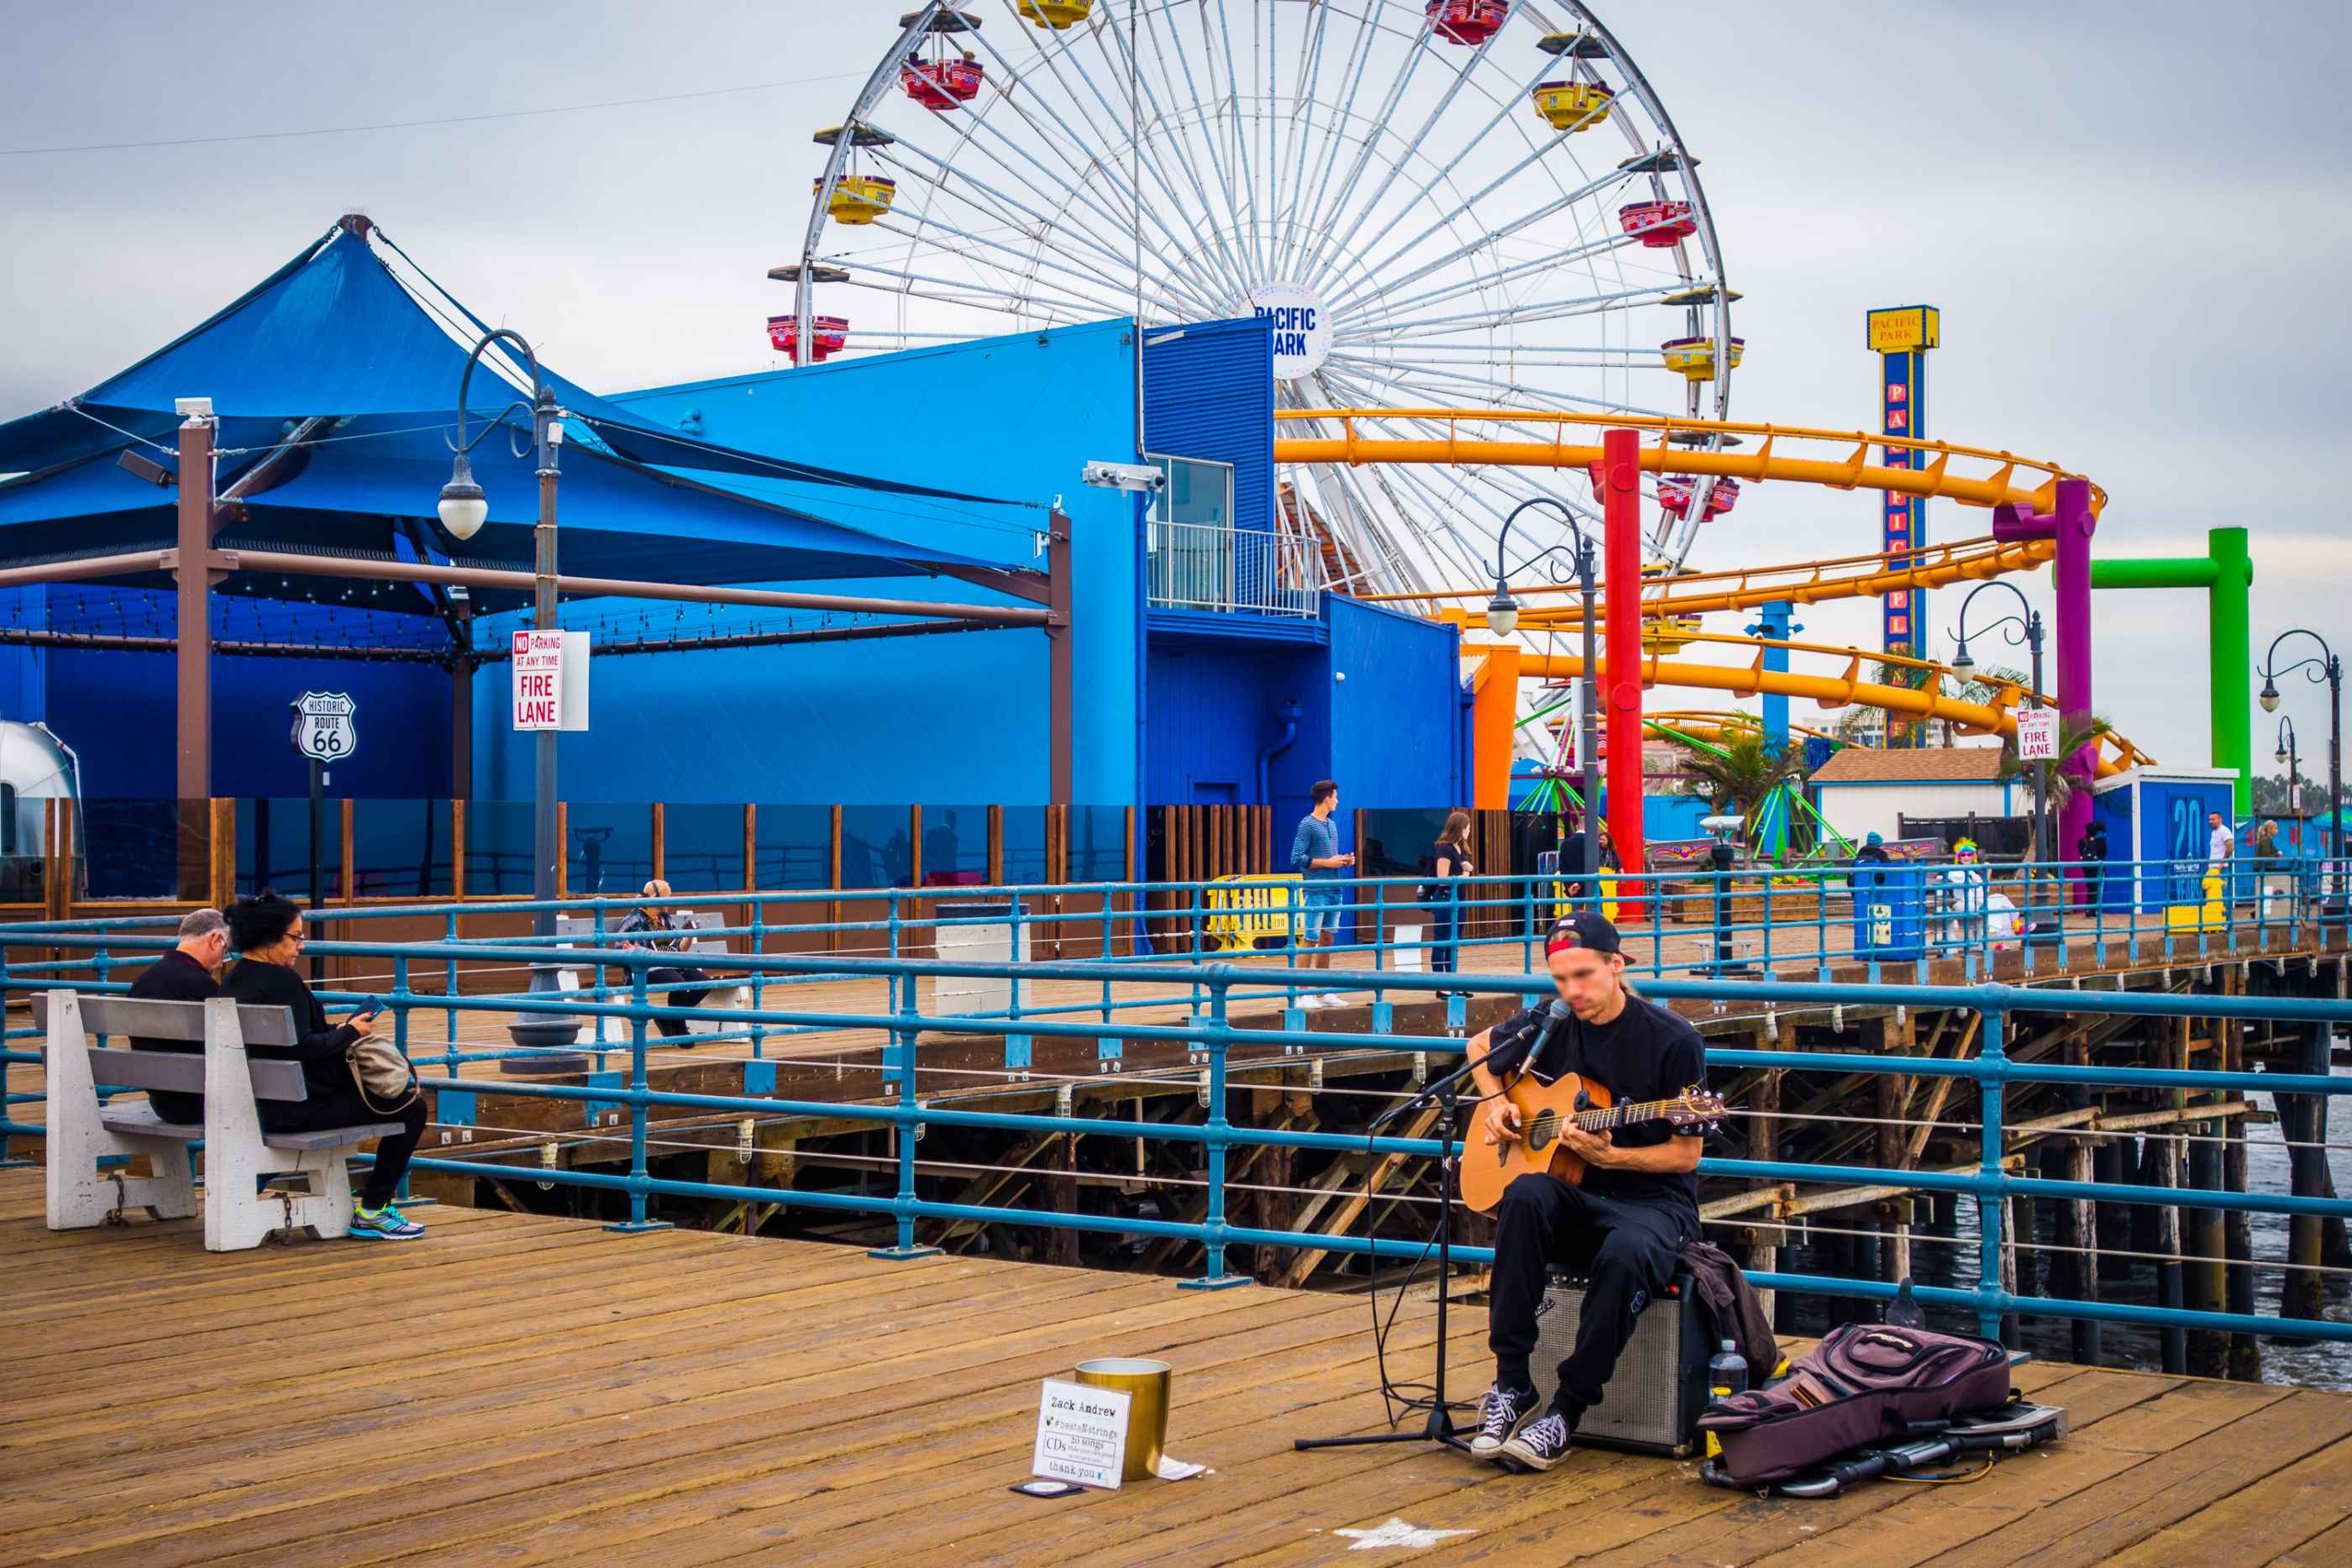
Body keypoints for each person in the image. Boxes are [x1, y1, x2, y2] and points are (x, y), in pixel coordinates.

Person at [1465, 914, 1708, 1472]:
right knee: (1525, 1194)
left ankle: (1566, 1409)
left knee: (1626, 1251)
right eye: (1560, 978)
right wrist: (1500, 1104)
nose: (1571, 991)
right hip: (1577, 1189)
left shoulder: (1674, 1039)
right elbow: (1480, 1045)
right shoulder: (1550, 1022)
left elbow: (1687, 1154)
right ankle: (1512, 1383)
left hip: (1654, 1201)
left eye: (1582, 975)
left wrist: (1614, 1156)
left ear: (1616, 965)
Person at [220, 893, 428, 1240]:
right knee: (412, 1107)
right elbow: (305, 1048)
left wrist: (340, 1031)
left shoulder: (232, 980)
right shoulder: (283, 982)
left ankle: (251, 1184)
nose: (300, 945)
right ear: (271, 938)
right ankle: (373, 1210)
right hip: (300, 1109)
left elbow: (294, 1041)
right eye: (296, 937)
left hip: (261, 1104)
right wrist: (351, 1031)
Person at [124, 908, 230, 1125]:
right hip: (203, 1104)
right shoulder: (202, 986)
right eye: (225, 949)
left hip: (162, 1103)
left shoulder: (143, 981)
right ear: (216, 939)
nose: (222, 962)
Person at [616, 879, 713, 1042]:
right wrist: (632, 950)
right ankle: (680, 1030)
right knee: (679, 984)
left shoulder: (665, 919)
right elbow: (619, 945)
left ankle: (666, 1018)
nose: (671, 900)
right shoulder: (635, 918)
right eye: (668, 896)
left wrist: (688, 935)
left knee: (703, 983)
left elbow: (679, 948)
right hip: (648, 967)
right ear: (657, 897)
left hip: (672, 963)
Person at [1289, 780, 1354, 1009]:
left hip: (1334, 890)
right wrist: (1328, 862)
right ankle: (1303, 993)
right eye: (1335, 797)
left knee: (1327, 939)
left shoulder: (1332, 825)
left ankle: (1324, 992)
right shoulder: (1307, 824)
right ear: (1326, 798)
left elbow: (1328, 858)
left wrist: (1343, 861)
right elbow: (1296, 858)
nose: (1337, 801)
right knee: (1311, 939)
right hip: (1315, 891)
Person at [1427, 810, 1474, 993]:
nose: (1469, 832)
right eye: (1467, 828)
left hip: (1459, 900)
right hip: (1446, 898)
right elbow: (1442, 878)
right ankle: (1441, 983)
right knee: (1442, 940)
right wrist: (1465, 873)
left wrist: (1467, 871)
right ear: (1460, 828)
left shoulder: (1460, 849)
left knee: (1454, 942)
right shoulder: (1445, 848)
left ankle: (1452, 980)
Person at [2077, 818, 2108, 910]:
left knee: (2090, 887)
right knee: (2098, 887)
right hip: (2098, 867)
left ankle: (2089, 907)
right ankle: (2095, 909)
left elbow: (2081, 852)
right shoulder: (2101, 839)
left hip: (2086, 867)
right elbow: (2104, 852)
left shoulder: (2082, 841)